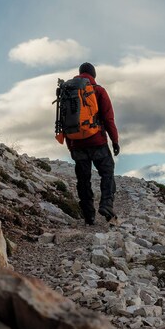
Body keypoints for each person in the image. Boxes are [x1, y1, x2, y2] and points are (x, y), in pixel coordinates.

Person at [64, 62, 120, 224]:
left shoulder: (67, 92)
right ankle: (106, 204)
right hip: (97, 141)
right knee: (107, 172)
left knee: (83, 179)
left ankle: (89, 215)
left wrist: (71, 145)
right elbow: (109, 119)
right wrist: (114, 140)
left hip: (76, 143)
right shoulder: (98, 90)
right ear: (93, 75)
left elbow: (64, 121)